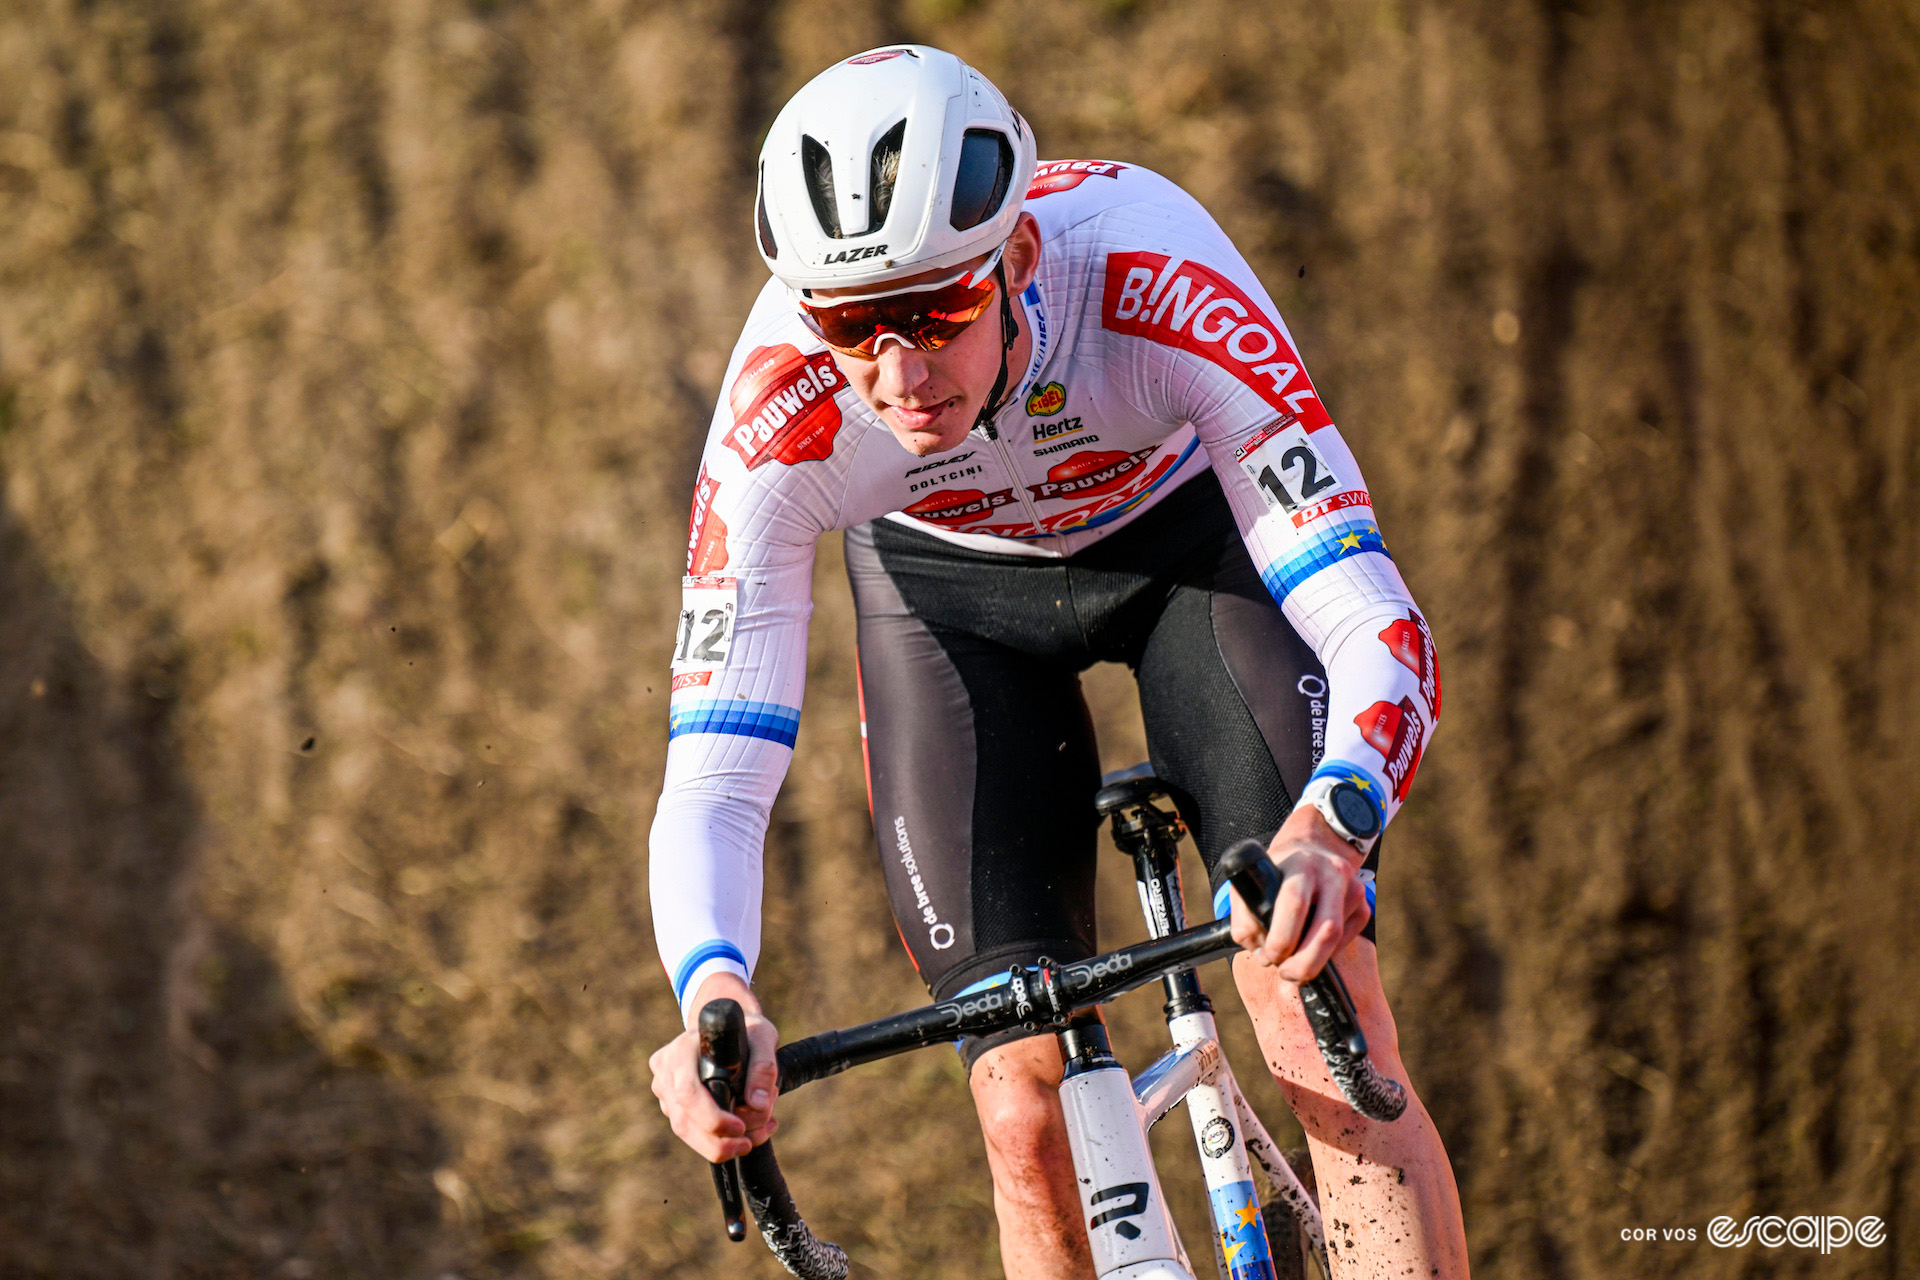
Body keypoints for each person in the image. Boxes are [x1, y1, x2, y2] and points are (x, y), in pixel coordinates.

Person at [646, 44, 1469, 1279]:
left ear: (1018, 260)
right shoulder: (784, 412)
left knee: (1310, 997)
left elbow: (1378, 626)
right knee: (1022, 1106)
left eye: (935, 312)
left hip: (1190, 558)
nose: (899, 373)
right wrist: (716, 993)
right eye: (852, 328)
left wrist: (1332, 825)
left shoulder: (1151, 277)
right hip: (950, 602)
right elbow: (713, 774)